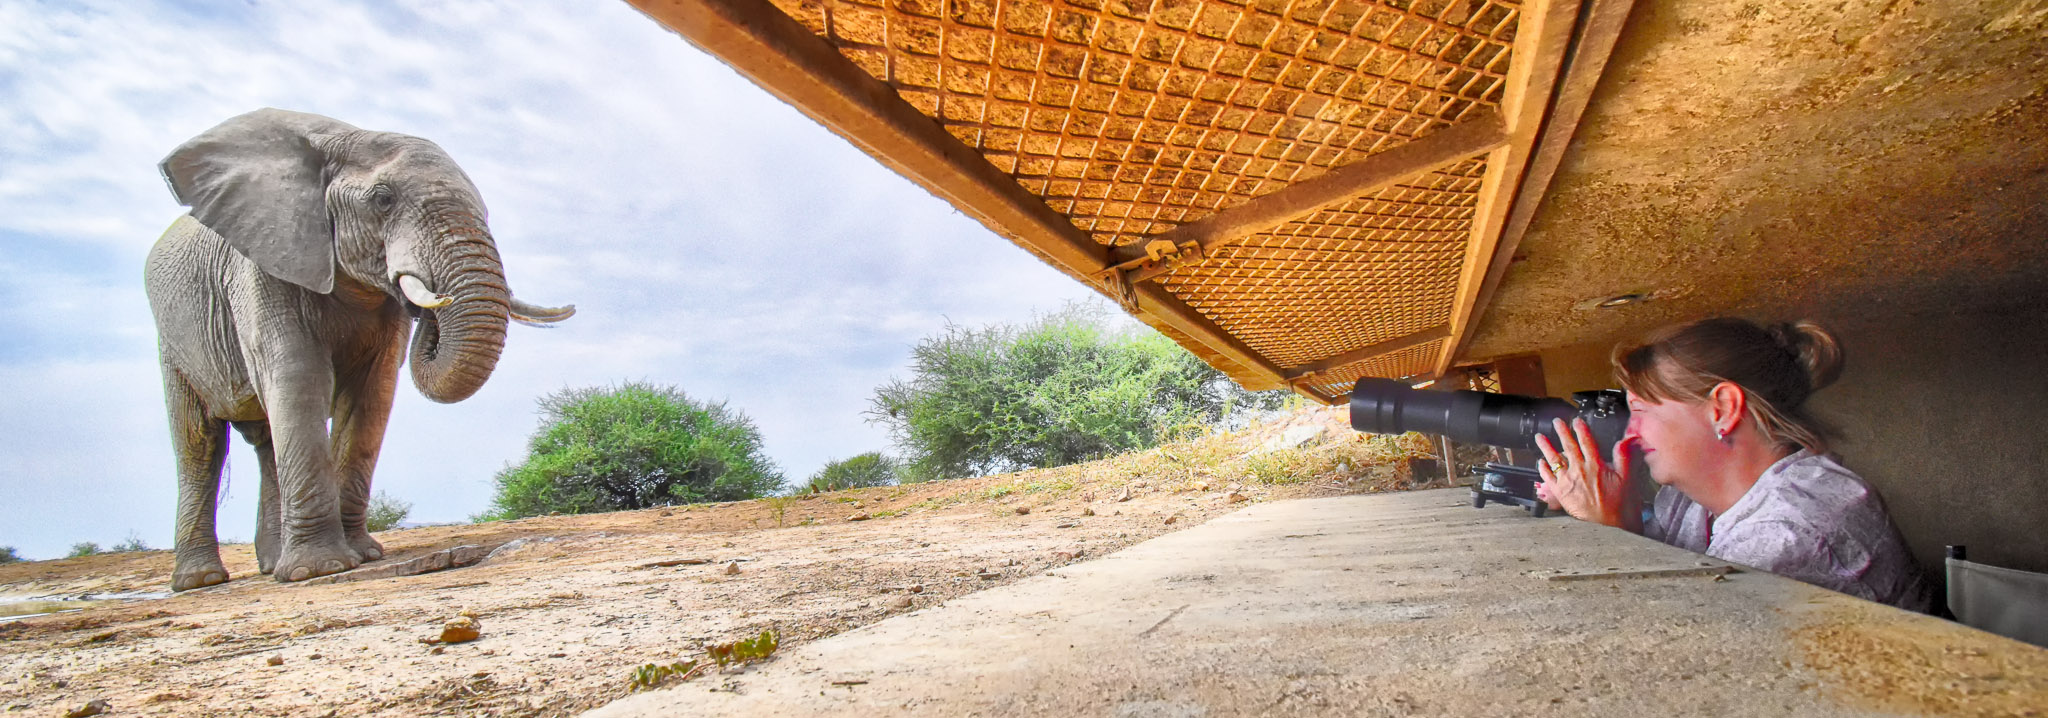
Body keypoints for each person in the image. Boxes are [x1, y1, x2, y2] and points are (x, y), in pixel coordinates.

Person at [1534, 317, 1932, 612]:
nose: (1629, 431)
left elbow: (1680, 643)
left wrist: (1604, 535)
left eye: (1639, 409)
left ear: (1723, 409)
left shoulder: (1789, 534)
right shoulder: (1688, 502)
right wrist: (1618, 515)